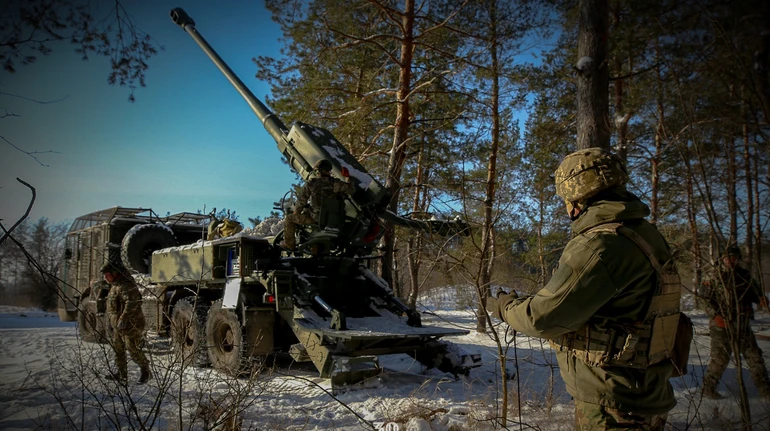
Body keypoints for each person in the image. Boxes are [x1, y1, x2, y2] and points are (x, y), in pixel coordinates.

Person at [487, 147, 680, 430]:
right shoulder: (644, 234)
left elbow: (541, 318)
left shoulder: (600, 245)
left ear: (575, 198)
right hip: (644, 391)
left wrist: (504, 306)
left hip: (614, 402)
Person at [700, 245, 770, 399]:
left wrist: (761, 299)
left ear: (738, 259)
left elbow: (755, 293)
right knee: (720, 358)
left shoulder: (744, 275)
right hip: (721, 325)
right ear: (722, 259)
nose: (730, 261)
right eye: (727, 258)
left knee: (755, 358)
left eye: (734, 258)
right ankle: (708, 389)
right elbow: (705, 300)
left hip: (742, 324)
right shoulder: (713, 276)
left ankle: (765, 390)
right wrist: (715, 316)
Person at [280, 159, 355, 251]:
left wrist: (297, 211)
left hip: (314, 218)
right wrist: (347, 177)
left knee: (289, 218)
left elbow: (301, 201)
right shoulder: (335, 184)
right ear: (329, 171)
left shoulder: (312, 183)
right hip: (332, 220)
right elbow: (351, 189)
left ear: (318, 171)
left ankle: (289, 244)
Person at [101, 261, 151, 384]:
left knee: (132, 348)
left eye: (107, 274)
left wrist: (123, 319)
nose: (105, 278)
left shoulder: (127, 285)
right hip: (118, 325)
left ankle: (146, 371)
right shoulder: (115, 286)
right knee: (118, 349)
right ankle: (121, 374)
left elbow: (132, 303)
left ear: (115, 273)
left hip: (131, 324)